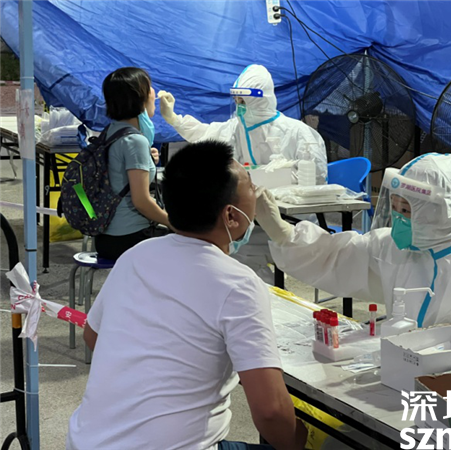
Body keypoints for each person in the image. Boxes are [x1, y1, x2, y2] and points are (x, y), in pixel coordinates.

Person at [66, 141, 307, 450]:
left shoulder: (136, 255)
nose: (257, 192)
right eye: (251, 186)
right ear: (231, 216)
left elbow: (93, 336)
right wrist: (296, 443)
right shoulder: (237, 284)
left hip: (86, 442)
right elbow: (271, 412)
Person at [254, 153, 451, 360]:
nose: (398, 219)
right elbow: (336, 256)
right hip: (405, 376)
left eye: (407, 210)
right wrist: (283, 232)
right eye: (395, 207)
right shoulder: (397, 247)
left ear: (439, 210)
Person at [159, 64, 328, 283]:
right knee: (231, 258)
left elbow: (315, 178)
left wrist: (281, 182)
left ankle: (262, 292)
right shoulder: (236, 128)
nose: (239, 106)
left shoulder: (298, 132)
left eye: (243, 100)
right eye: (237, 100)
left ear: (261, 99)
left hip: (292, 219)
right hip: (249, 219)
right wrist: (174, 118)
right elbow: (204, 134)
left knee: (242, 258)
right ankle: (260, 293)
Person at [94, 67, 170, 261]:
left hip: (106, 236)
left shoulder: (112, 131)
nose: (154, 93)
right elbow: (141, 202)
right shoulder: (135, 141)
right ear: (139, 97)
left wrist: (147, 159)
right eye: (149, 87)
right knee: (193, 243)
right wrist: (174, 224)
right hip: (130, 238)